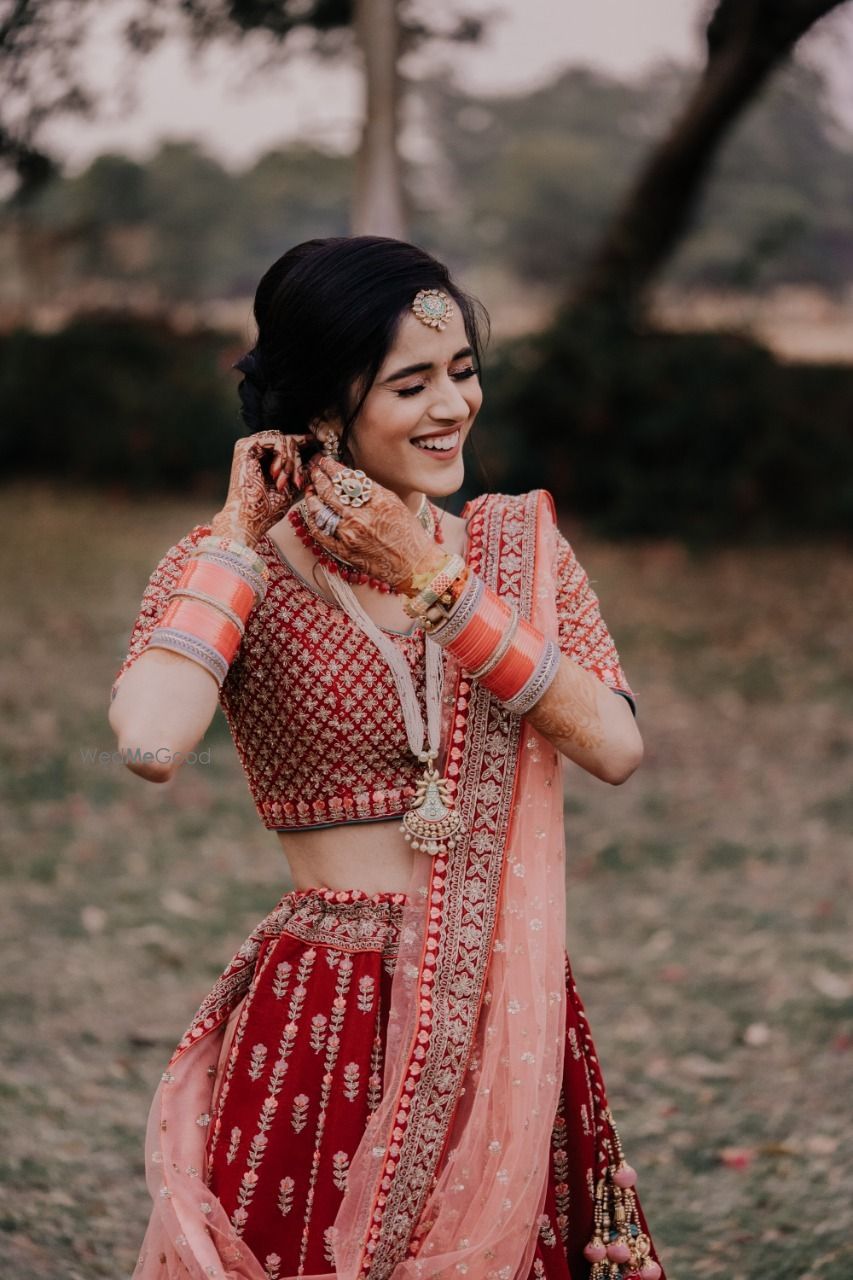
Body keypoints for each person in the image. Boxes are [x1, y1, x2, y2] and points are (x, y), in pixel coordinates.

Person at [110, 236, 666, 1280]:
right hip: (327, 1007)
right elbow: (148, 739)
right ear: (326, 408)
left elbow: (617, 746)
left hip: (506, 1002)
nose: (452, 405)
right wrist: (235, 536)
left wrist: (441, 588)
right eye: (410, 383)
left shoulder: (513, 553)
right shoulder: (232, 568)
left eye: (462, 372)